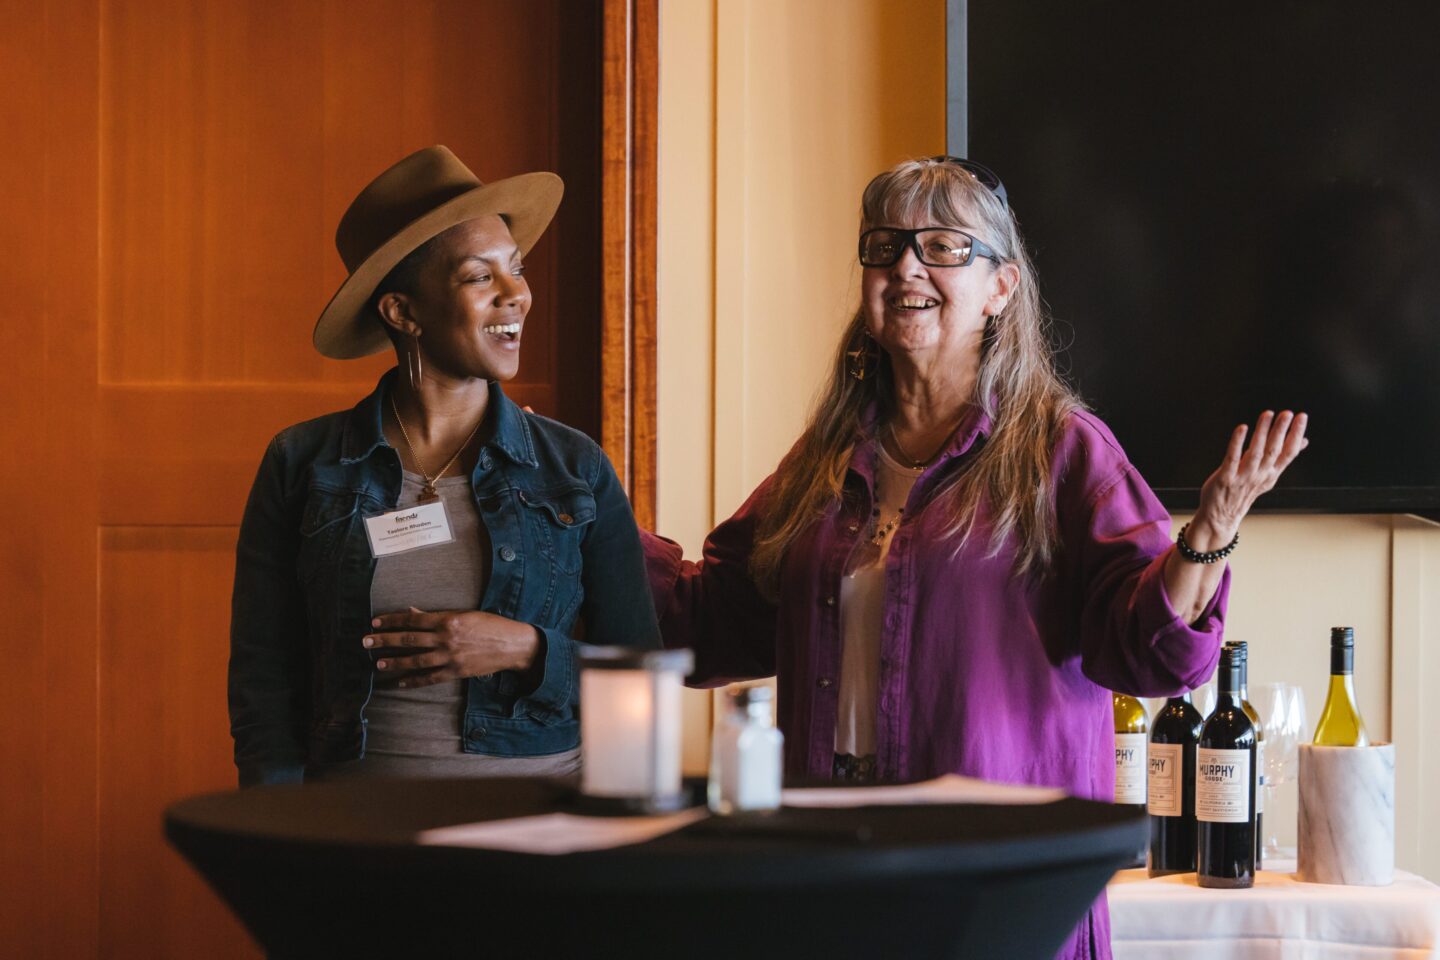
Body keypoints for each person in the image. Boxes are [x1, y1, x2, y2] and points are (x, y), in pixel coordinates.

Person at [642, 157, 1307, 959]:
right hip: (830, 877)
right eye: (884, 246)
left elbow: (1151, 651)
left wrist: (1212, 529)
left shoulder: (1063, 453)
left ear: (1001, 289)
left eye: (945, 246)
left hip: (991, 894)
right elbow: (714, 617)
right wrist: (586, 510)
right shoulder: (822, 462)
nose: (906, 266)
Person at [229, 145, 659, 787]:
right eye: (480, 277)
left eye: (517, 269)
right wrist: (280, 834)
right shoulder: (304, 463)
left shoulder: (574, 467)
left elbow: (643, 674)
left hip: (539, 837)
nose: (517, 296)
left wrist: (525, 647)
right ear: (403, 312)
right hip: (356, 838)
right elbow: (265, 679)